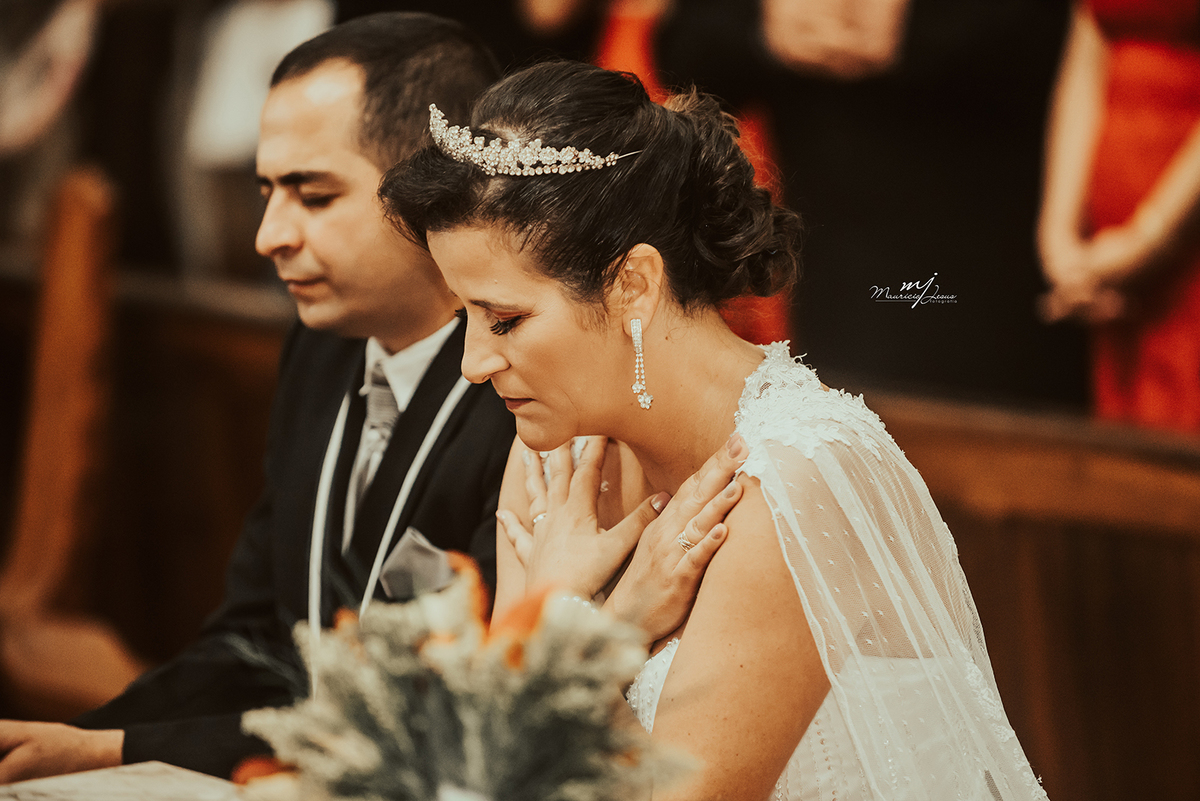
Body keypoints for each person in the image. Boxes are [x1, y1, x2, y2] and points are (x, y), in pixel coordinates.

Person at [383, 59, 1049, 799]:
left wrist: (560, 622)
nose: (473, 363)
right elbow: (493, 767)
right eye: (465, 316)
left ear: (633, 283)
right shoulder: (559, 458)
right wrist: (613, 623)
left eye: (505, 319)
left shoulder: (795, 481)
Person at [1038, 0, 1200, 432]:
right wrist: (1059, 238)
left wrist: (1152, 240)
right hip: (1110, 249)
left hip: (1186, 236)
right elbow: (1085, 58)